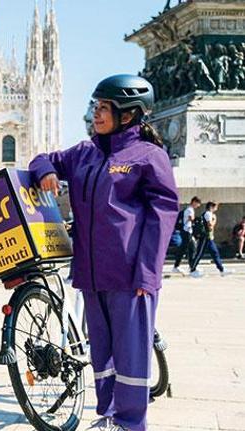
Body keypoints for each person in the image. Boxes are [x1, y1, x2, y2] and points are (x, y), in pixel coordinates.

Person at [31, 75, 179, 431]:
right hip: (91, 274)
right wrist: (48, 171)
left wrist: (147, 274)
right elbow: (42, 158)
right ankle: (108, 416)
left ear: (127, 115)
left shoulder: (149, 156)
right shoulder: (85, 153)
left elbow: (162, 216)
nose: (95, 113)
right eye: (95, 106)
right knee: (102, 353)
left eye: (103, 107)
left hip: (131, 276)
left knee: (130, 355)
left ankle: (130, 423)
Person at [191, 201, 232, 277]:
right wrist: (215, 220)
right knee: (200, 253)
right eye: (215, 207)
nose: (216, 208)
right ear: (211, 207)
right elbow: (210, 226)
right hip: (205, 237)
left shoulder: (208, 214)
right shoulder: (208, 214)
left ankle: (221, 270)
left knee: (215, 253)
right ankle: (192, 270)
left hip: (209, 238)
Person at [172, 196, 201, 274]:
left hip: (186, 231)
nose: (198, 206)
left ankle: (186, 266)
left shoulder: (188, 209)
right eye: (197, 204)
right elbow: (191, 218)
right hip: (187, 231)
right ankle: (190, 267)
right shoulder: (190, 210)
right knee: (190, 248)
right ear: (194, 202)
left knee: (187, 248)